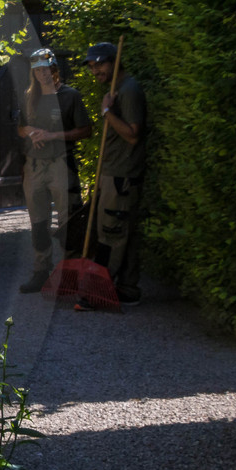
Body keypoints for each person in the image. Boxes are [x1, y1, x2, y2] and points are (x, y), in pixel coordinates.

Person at [16, 48, 92, 293]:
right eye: (38, 70)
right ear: (33, 73)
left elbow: (85, 130)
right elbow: (20, 128)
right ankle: (41, 272)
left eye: (47, 69)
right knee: (38, 222)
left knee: (69, 220)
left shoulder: (70, 96)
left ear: (55, 69)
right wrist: (31, 132)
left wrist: (52, 135)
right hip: (34, 166)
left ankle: (71, 274)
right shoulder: (29, 96)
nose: (43, 74)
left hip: (61, 162)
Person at [84, 41, 147, 306]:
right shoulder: (117, 89)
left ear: (114, 62)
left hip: (121, 174)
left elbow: (133, 135)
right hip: (116, 172)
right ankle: (127, 289)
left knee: (110, 233)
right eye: (91, 66)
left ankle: (99, 292)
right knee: (124, 232)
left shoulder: (129, 90)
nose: (95, 71)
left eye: (99, 64)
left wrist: (107, 112)